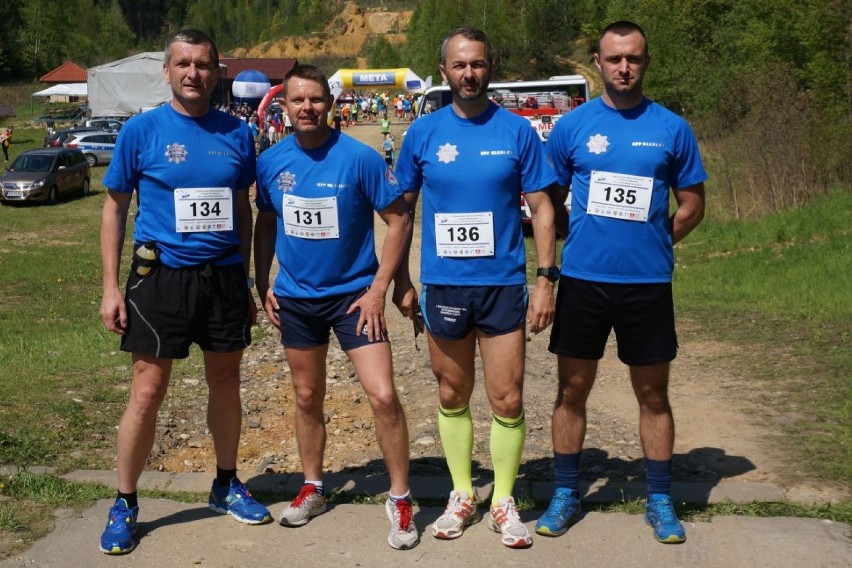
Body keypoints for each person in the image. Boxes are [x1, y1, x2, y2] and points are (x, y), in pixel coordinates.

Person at [98, 28, 271, 555]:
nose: (193, 73)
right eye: (183, 64)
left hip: (222, 277)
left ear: (217, 72)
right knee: (148, 392)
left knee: (226, 381)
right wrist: (110, 287)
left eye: (202, 64)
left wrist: (243, 279)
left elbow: (243, 208)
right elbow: (115, 208)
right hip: (161, 278)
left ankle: (225, 482)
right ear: (167, 71)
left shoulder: (237, 134)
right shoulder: (141, 130)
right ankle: (125, 502)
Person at [536, 20, 707, 544]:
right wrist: (580, 238)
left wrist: (655, 241)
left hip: (648, 284)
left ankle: (659, 499)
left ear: (646, 61)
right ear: (598, 61)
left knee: (653, 394)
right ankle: (566, 492)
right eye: (614, 59)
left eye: (632, 58)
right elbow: (548, 202)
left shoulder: (672, 128)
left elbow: (692, 205)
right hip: (584, 280)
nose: (624, 67)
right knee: (572, 389)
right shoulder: (572, 127)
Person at [394, 27, 557, 549]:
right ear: (444, 71)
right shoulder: (422, 133)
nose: (470, 73)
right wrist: (400, 279)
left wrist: (546, 279)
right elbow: (401, 211)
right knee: (451, 392)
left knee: (507, 397)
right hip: (445, 286)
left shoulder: (517, 132)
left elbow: (545, 208)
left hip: (504, 285)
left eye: (479, 64)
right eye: (460, 65)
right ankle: (463, 493)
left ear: (491, 68)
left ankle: (504, 500)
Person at [253, 64, 419, 551]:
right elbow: (266, 223)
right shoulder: (271, 162)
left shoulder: (360, 159)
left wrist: (378, 289)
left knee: (383, 395)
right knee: (307, 397)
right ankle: (313, 487)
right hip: (298, 301)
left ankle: (402, 496)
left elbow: (399, 219)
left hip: (354, 300)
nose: (307, 108)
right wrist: (261, 281)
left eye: (316, 100)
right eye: (298, 100)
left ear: (330, 104)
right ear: (284, 106)